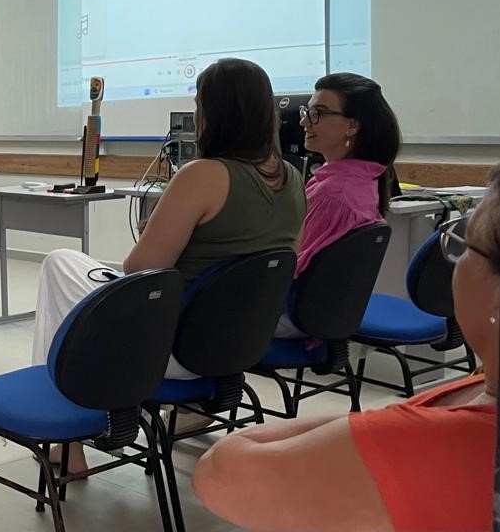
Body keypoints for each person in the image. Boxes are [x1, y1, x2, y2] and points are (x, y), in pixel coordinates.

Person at [32, 58, 306, 472]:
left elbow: (139, 269)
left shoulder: (203, 175)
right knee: (79, 277)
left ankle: (65, 438)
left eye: (199, 104)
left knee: (60, 265)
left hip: (169, 351)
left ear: (212, 113)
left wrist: (154, 228)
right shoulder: (292, 179)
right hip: (238, 347)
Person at [193, 164, 500, 532]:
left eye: (465, 244)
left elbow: (223, 470)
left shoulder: (448, 448)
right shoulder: (478, 386)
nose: (307, 123)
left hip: (291, 320)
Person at [277, 72, 402, 338]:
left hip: (293, 314)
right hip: (319, 313)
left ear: (352, 126)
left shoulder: (334, 193)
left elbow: (288, 271)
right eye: (307, 111)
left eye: (318, 113)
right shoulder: (366, 178)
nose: (303, 121)